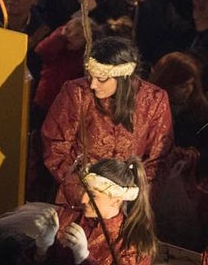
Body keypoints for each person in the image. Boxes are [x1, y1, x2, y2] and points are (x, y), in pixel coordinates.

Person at [42, 37, 174, 216]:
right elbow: (56, 148)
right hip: (80, 200)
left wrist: (129, 197)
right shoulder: (77, 92)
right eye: (90, 77)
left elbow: (158, 158)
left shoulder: (154, 100)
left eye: (102, 79)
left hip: (125, 204)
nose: (93, 85)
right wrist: (87, 193)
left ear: (123, 77)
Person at [46, 158, 159, 265]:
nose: (83, 200)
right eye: (85, 191)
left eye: (92, 195)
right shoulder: (67, 218)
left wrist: (84, 258)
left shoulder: (133, 245)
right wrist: (42, 248)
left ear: (116, 201)